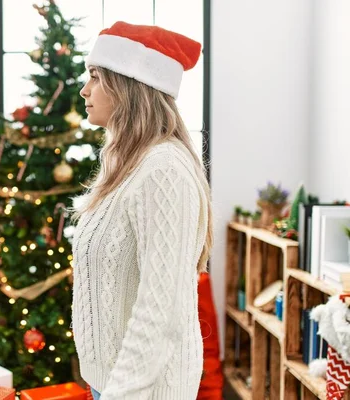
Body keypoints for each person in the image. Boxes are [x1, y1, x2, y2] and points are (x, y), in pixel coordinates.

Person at [71, 22, 213, 400]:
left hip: (143, 392)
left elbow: (160, 308)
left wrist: (119, 394)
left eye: (96, 77)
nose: (85, 89)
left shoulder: (162, 169)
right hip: (111, 383)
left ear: (128, 85)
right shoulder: (127, 164)